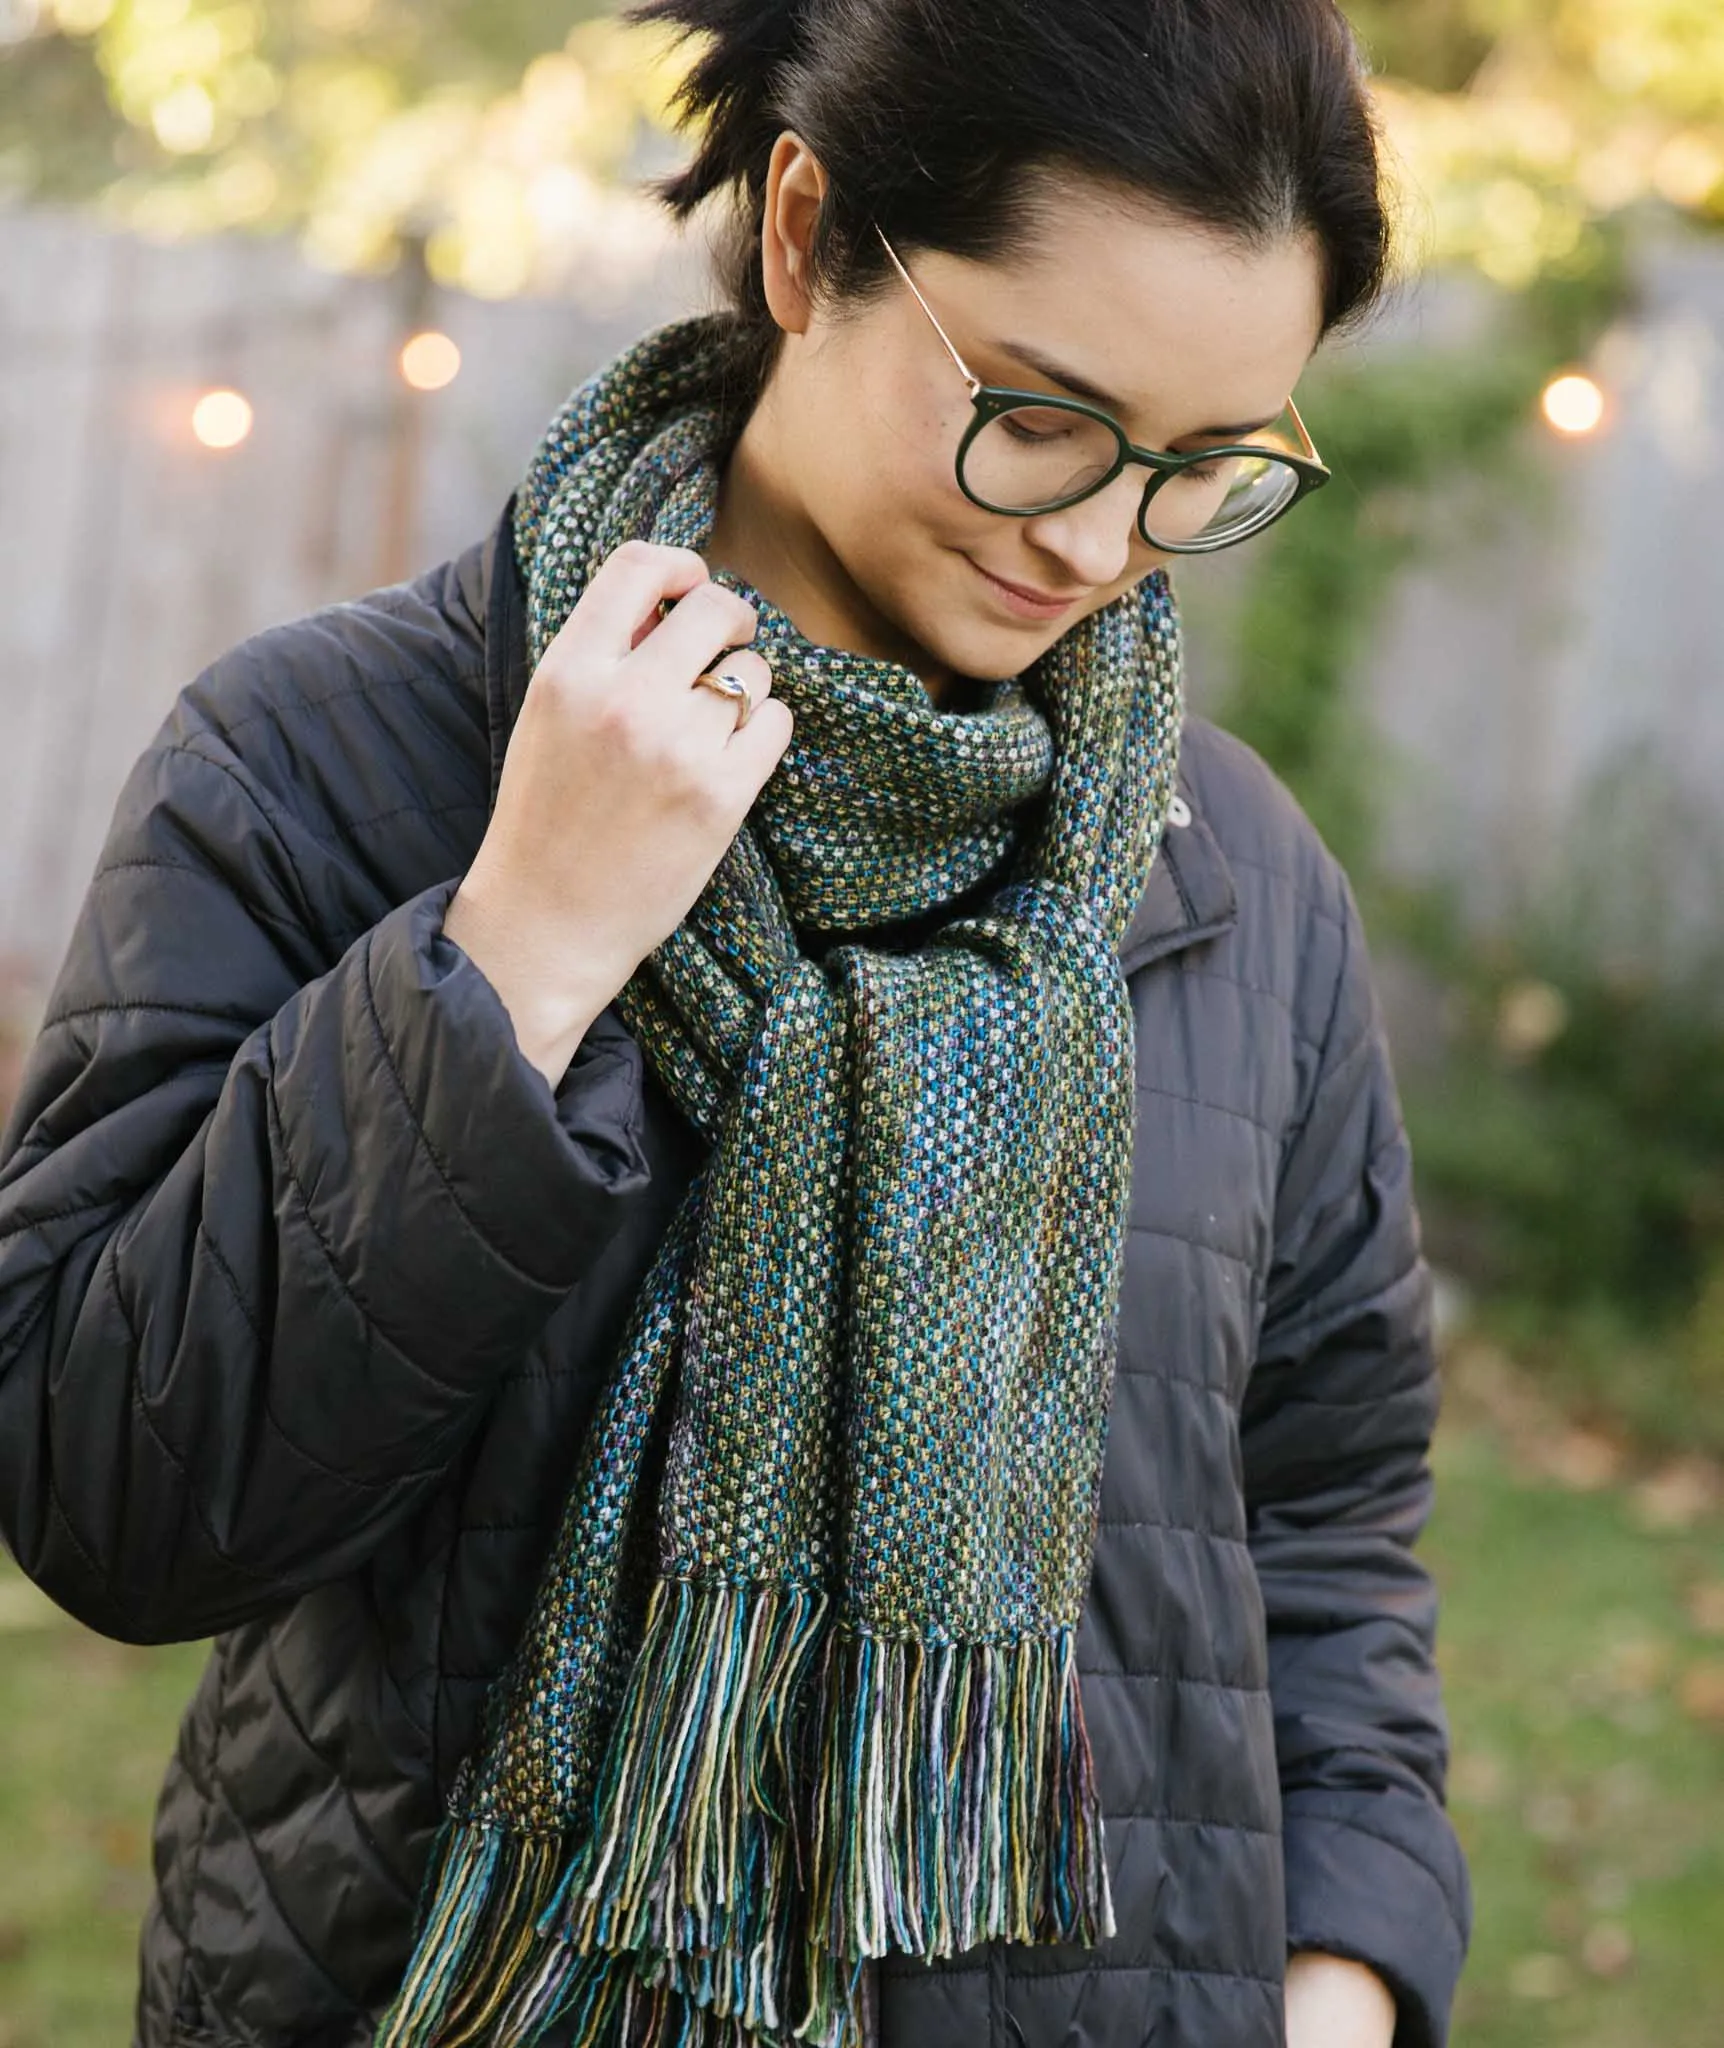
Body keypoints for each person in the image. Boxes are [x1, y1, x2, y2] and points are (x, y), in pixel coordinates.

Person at [0, 0, 1471, 2042]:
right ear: (806, 233)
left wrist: (1342, 1975)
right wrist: (513, 951)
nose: (1094, 538)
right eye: (1038, 413)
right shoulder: (341, 758)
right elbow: (114, 1499)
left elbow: (1318, 1509)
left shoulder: (1228, 878)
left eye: (1202, 464)